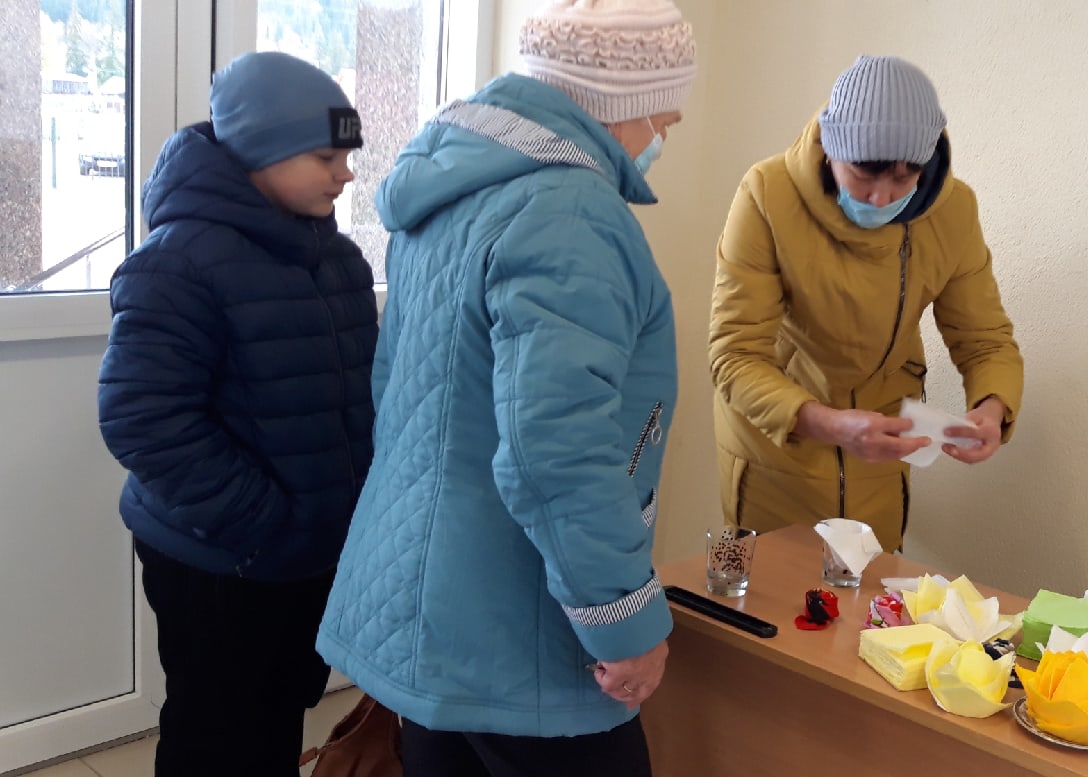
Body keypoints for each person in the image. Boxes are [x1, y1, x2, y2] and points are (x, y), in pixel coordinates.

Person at [314, 1, 695, 775]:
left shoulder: (454, 187)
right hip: (512, 616)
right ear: (619, 103)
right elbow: (558, 447)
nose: (664, 135)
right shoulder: (570, 212)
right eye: (663, 116)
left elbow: (399, 392)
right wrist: (624, 621)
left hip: (426, 596)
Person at [96, 52, 377, 777]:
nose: (345, 174)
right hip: (222, 559)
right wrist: (264, 523)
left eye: (347, 156)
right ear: (259, 150)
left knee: (275, 717)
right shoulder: (177, 262)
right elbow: (140, 417)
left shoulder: (338, 262)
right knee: (215, 736)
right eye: (325, 157)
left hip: (305, 556)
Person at [710, 55, 1025, 553]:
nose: (881, 197)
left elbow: (985, 340)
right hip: (777, 450)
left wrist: (992, 407)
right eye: (863, 173)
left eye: (904, 177)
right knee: (770, 596)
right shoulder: (766, 193)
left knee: (872, 598)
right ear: (830, 150)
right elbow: (734, 356)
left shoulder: (954, 211)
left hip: (879, 457)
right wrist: (833, 425)